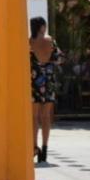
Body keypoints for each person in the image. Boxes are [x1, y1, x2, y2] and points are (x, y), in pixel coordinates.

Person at [30, 17, 62, 164]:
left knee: (34, 117)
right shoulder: (51, 41)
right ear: (42, 26)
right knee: (46, 117)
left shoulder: (29, 42)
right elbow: (59, 59)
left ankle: (34, 147)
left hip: (33, 81)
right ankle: (45, 148)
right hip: (48, 81)